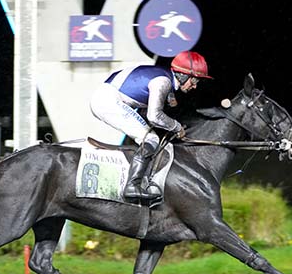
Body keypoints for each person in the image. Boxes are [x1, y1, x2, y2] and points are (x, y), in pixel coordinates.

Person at [90, 50, 213, 200]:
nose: (194, 86)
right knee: (151, 139)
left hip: (108, 96)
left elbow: (145, 110)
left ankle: (135, 172)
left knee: (147, 135)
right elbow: (154, 116)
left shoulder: (164, 76)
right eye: (194, 81)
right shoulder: (164, 81)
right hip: (108, 101)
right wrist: (176, 127)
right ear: (183, 75)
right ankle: (131, 186)